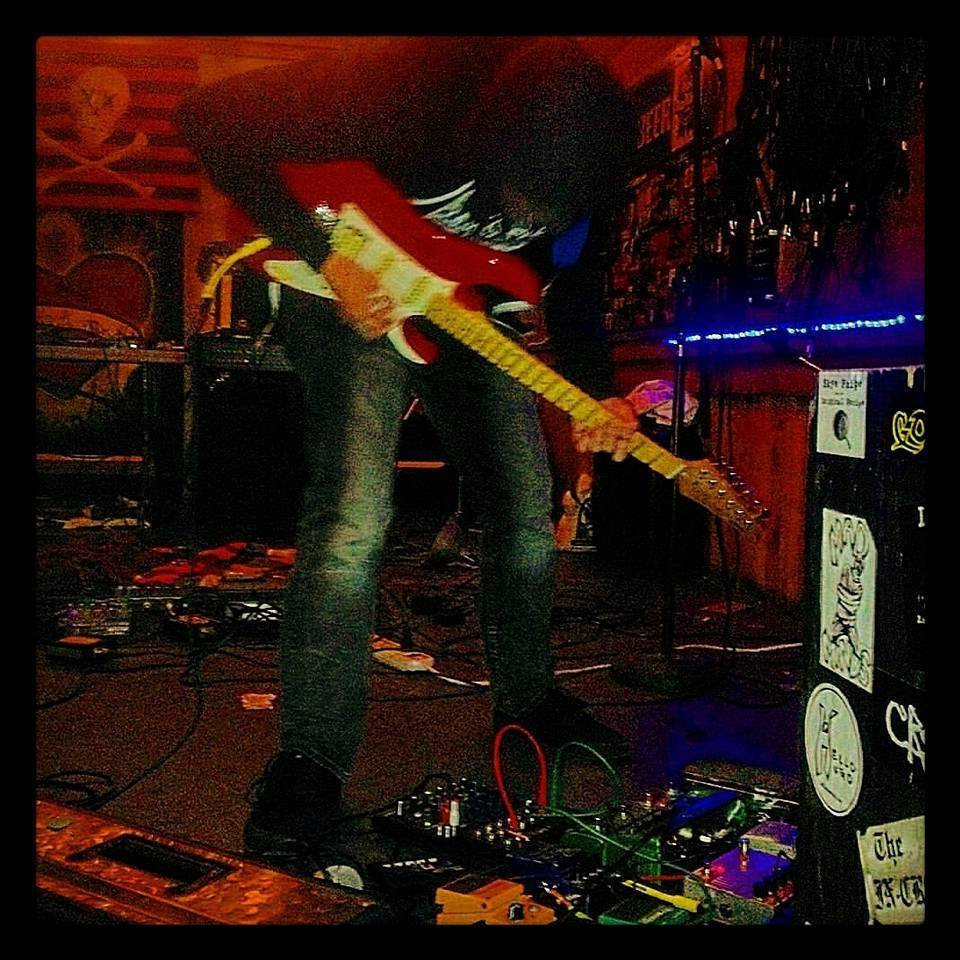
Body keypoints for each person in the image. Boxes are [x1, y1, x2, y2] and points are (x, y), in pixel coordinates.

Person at [175, 36, 640, 874]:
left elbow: (575, 284)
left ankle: (528, 698)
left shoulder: (596, 163)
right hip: (349, 289)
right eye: (516, 199)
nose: (528, 222)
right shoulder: (411, 80)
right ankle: (311, 757)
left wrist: (600, 393)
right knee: (353, 516)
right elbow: (210, 118)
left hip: (467, 310)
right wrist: (328, 255)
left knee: (524, 510)